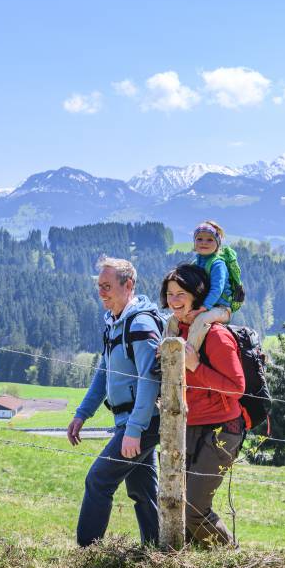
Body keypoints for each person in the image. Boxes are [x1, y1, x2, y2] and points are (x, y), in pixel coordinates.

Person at [67, 256, 163, 547]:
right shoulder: (115, 323)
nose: (101, 293)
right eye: (99, 286)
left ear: (128, 285)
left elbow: (150, 379)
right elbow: (104, 372)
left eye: (107, 286)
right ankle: (157, 551)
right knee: (143, 492)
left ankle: (87, 552)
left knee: (99, 480)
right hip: (134, 421)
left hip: (142, 422)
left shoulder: (140, 324)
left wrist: (134, 430)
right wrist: (83, 413)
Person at [160, 263, 246, 547]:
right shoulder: (175, 331)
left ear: (197, 295)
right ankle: (195, 562)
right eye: (170, 293)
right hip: (186, 425)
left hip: (221, 429)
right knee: (178, 503)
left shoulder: (215, 334)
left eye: (181, 293)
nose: (174, 300)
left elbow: (237, 387)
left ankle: (231, 556)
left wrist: (196, 366)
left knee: (194, 508)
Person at [175, 221, 238, 353]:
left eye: (210, 240)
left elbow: (217, 289)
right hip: (204, 307)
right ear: (194, 242)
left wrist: (202, 309)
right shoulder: (196, 263)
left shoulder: (218, 264)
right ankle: (163, 350)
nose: (204, 242)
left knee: (200, 320)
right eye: (199, 239)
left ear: (218, 244)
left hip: (221, 309)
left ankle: (188, 354)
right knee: (174, 318)